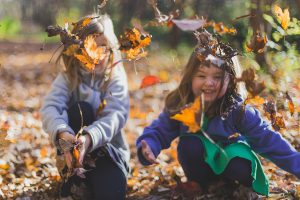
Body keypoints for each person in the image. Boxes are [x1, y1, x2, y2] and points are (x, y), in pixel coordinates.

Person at [136, 30, 300, 196]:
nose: (209, 83)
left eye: (217, 77)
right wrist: (150, 145)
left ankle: (237, 188)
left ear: (230, 81)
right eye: (201, 75)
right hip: (201, 170)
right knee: (189, 144)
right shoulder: (182, 104)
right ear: (190, 77)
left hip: (233, 168)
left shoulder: (238, 109)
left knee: (238, 158)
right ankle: (203, 186)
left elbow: (268, 140)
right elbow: (160, 129)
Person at [40, 14, 130, 200]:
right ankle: (74, 180)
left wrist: (89, 138)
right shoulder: (68, 78)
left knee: (111, 193)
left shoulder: (115, 78)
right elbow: (50, 108)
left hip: (109, 154)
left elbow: (115, 116)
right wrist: (63, 133)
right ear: (75, 49)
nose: (95, 54)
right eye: (88, 46)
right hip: (73, 156)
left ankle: (98, 183)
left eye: (102, 46)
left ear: (111, 47)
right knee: (81, 109)